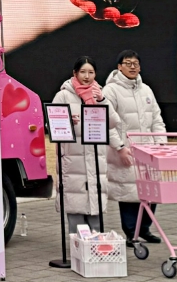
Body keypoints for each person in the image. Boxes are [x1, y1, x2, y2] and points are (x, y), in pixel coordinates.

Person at [52, 57, 122, 236]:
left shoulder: (99, 94)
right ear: (75, 73)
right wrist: (67, 121)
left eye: (91, 72)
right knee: (75, 206)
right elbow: (51, 125)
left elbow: (113, 122)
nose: (87, 76)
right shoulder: (64, 95)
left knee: (95, 206)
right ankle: (77, 246)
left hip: (96, 160)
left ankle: (96, 246)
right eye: (83, 72)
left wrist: (103, 100)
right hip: (73, 162)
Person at [101, 49, 166, 242]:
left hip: (149, 150)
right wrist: (120, 148)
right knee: (129, 191)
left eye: (135, 63)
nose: (132, 67)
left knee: (151, 191)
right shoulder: (110, 91)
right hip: (126, 149)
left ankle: (144, 229)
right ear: (119, 67)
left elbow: (157, 118)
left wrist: (161, 143)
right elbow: (107, 123)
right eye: (128, 63)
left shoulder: (146, 90)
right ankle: (131, 233)